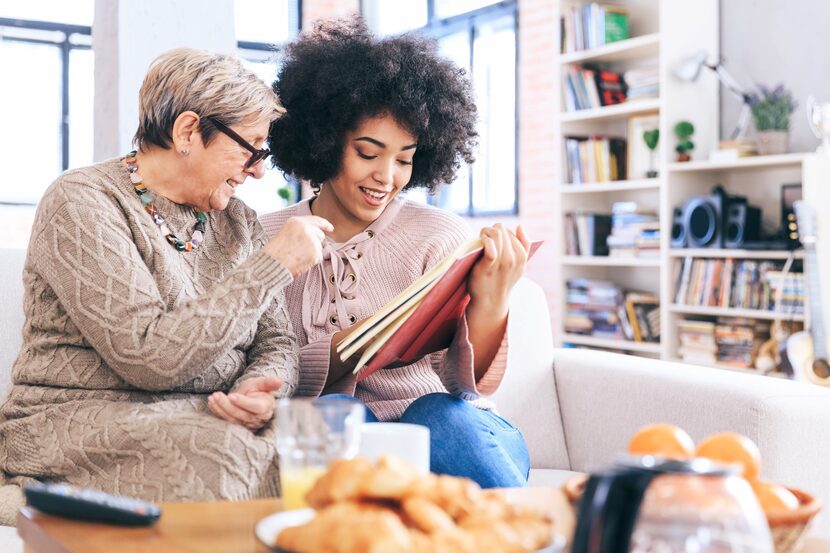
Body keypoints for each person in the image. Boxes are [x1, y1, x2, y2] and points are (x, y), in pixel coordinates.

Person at [0, 48, 331, 510]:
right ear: (188, 131)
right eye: (250, 148)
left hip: (202, 413)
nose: (258, 169)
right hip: (84, 417)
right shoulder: (82, 203)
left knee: (324, 445)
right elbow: (147, 356)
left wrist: (258, 388)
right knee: (224, 460)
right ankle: (32, 495)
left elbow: (276, 342)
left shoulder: (239, 222)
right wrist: (271, 266)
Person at [261, 18, 531, 488]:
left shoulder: (438, 233)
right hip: (337, 421)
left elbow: (470, 388)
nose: (387, 176)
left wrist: (494, 300)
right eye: (368, 153)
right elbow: (259, 366)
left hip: (456, 432)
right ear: (323, 144)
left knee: (437, 413)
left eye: (404, 159)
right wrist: (342, 353)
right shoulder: (267, 238)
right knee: (337, 412)